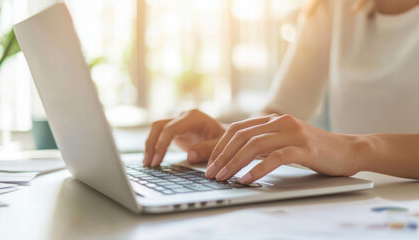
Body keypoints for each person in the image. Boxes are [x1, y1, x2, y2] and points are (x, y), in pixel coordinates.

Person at [143, 0, 419, 184]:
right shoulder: (330, 7)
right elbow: (281, 111)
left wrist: (355, 150)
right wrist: (234, 135)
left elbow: (347, 148)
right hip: (356, 207)